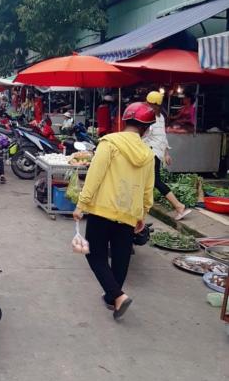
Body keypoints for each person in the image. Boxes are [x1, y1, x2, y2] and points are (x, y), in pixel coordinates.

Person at [73, 102, 156, 320]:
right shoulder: (147, 154)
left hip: (103, 210)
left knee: (94, 254)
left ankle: (118, 296)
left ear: (124, 120)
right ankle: (112, 299)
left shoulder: (109, 143)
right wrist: (142, 214)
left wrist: (82, 204)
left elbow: (95, 175)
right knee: (120, 258)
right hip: (129, 213)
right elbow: (148, 188)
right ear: (146, 129)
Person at [144, 91, 192, 221]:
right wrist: (166, 153)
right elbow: (163, 137)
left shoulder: (150, 117)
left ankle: (179, 206)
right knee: (150, 181)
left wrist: (166, 153)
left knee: (155, 181)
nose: (147, 105)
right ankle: (142, 210)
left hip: (150, 153)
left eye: (149, 103)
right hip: (154, 153)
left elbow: (148, 136)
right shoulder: (160, 117)